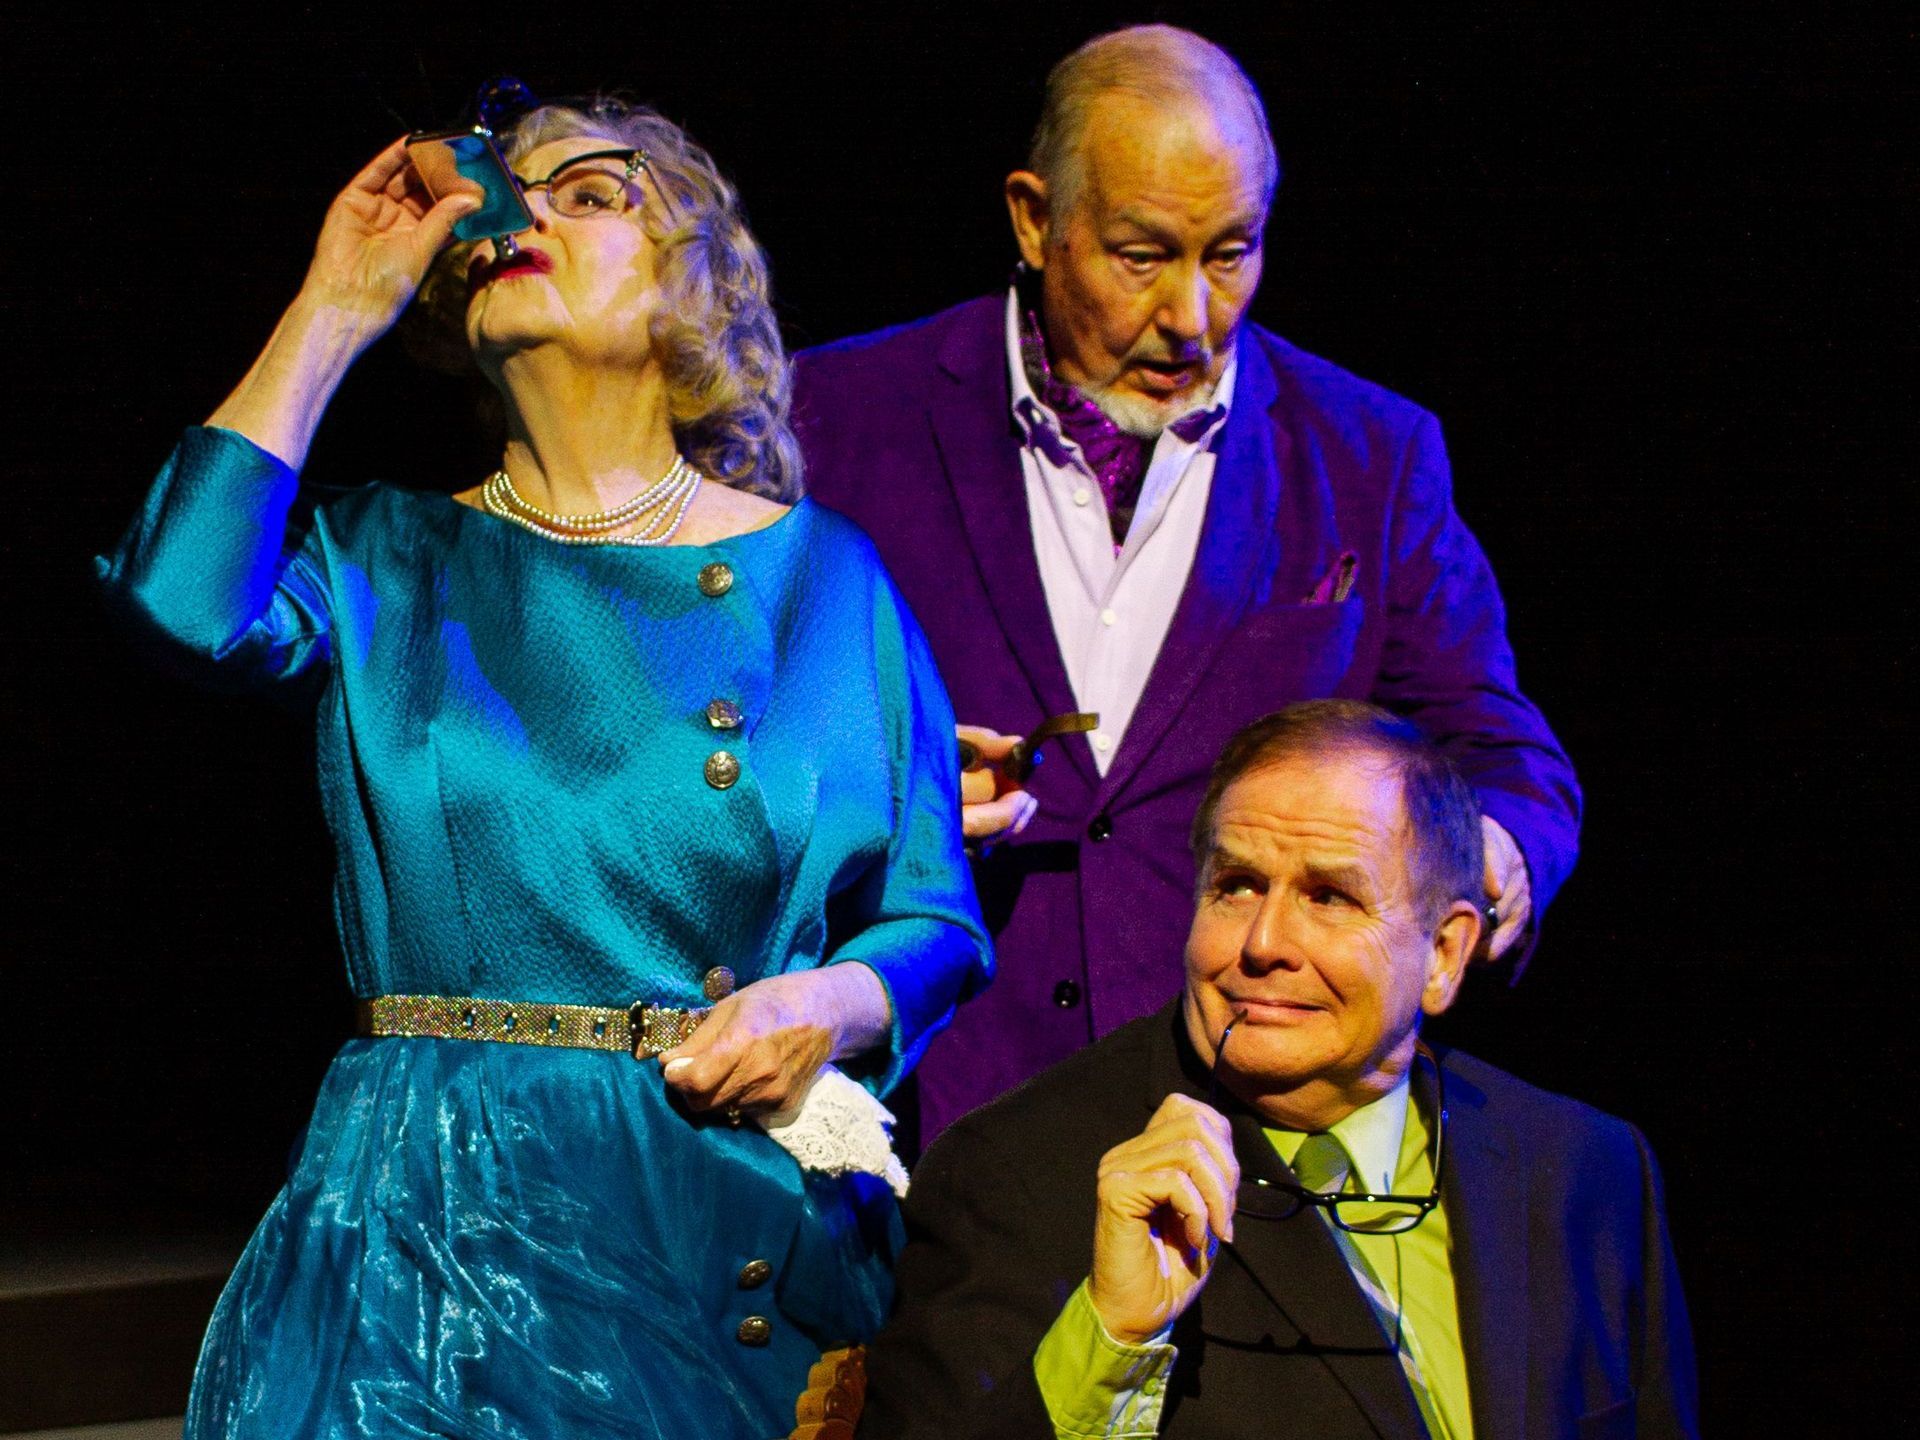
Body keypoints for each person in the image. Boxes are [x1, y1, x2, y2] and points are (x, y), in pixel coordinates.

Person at [99, 95, 989, 1440]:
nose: (527, 214)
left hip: (705, 1212)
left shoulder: (822, 581)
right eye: (509, 194)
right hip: (418, 1225)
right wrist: (336, 305)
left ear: (693, 278)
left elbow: (936, 916)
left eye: (590, 191)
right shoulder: (387, 557)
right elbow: (178, 601)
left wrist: (834, 998)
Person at [792, 25, 1582, 1141]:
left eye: (1231, 252)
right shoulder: (836, 419)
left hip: (1244, 1141)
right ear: (1033, 219)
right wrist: (883, 799)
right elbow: (714, 759)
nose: (1195, 318)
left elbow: (1504, 758)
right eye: (1143, 255)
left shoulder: (1370, 453)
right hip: (933, 1126)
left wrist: (1489, 846)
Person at [859, 701, 1696, 1439]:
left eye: (1329, 897)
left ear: (1444, 956)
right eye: (1236, 886)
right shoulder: (1018, 1173)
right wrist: (1110, 1337)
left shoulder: (1587, 1167)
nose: (1262, 945)